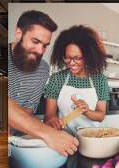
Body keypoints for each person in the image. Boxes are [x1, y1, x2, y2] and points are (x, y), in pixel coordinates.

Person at [8, 10, 79, 157]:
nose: (40, 51)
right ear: (19, 34)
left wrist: (49, 129)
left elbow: (27, 112)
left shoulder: (43, 69)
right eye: (35, 41)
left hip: (18, 142)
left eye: (45, 45)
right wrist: (49, 134)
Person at [45, 25, 110, 135]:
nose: (71, 62)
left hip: (92, 137)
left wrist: (87, 111)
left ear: (89, 56)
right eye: (67, 57)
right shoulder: (57, 79)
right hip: (65, 137)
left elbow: (100, 116)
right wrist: (52, 121)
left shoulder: (100, 80)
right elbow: (49, 115)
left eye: (77, 58)